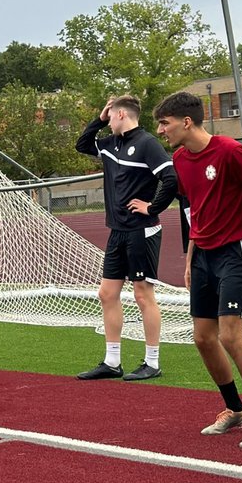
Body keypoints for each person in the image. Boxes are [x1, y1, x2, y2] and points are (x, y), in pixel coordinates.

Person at [154, 91, 242, 448]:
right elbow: (194, 208)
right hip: (204, 256)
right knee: (203, 338)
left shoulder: (229, 151)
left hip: (236, 255)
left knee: (229, 336)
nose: (162, 130)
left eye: (165, 123)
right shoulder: (180, 159)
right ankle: (234, 409)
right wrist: (192, 256)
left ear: (186, 121)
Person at [75, 95, 178, 382]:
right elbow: (82, 144)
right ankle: (112, 361)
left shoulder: (147, 143)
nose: (107, 122)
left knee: (143, 295)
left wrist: (152, 207)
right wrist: (99, 118)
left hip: (141, 231)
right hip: (118, 231)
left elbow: (171, 179)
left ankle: (153, 362)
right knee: (107, 294)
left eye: (110, 116)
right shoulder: (109, 145)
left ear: (120, 114)